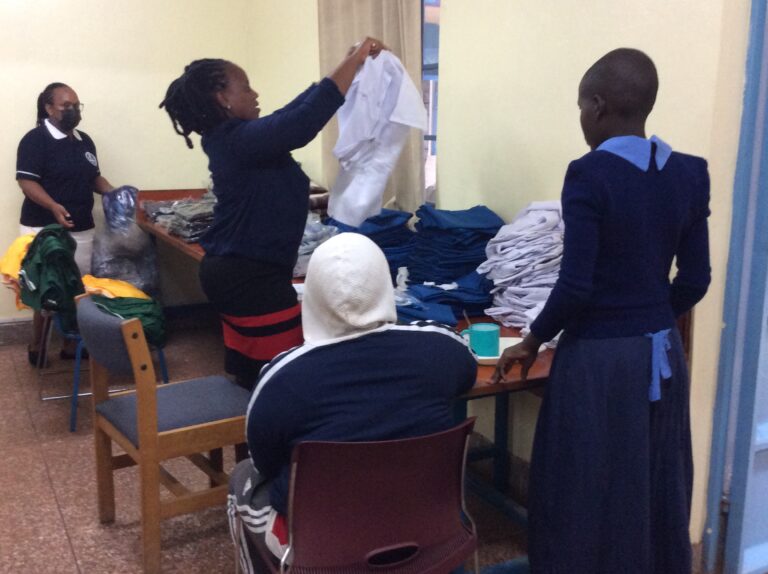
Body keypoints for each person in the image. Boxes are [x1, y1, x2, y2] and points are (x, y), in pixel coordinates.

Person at [493, 48, 711, 574]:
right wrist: (653, 313)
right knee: (653, 485)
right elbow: (697, 280)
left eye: (580, 108)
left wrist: (530, 340)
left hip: (599, 365)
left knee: (582, 487)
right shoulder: (689, 173)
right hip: (663, 358)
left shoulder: (589, 175)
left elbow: (575, 287)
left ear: (597, 105)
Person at [226, 232, 477, 569]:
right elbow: (468, 372)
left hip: (323, 543)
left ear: (311, 295)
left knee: (242, 475)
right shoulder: (441, 350)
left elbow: (265, 460)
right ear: (384, 286)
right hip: (429, 525)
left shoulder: (283, 376)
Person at [159, 38, 386, 391]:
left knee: (254, 374)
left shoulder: (236, 139)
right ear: (223, 98)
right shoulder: (238, 140)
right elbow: (299, 121)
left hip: (239, 270)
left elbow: (287, 117)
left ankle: (253, 436)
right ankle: (272, 441)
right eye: (245, 86)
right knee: (282, 378)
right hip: (250, 277)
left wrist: (315, 203)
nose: (255, 93)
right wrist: (354, 62)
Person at [16, 82, 114, 364]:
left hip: (82, 227)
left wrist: (113, 192)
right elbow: (27, 181)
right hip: (43, 228)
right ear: (49, 108)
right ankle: (37, 346)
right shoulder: (35, 140)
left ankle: (72, 346)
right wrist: (53, 206)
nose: (73, 111)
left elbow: (94, 177)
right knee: (47, 290)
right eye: (66, 106)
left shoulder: (84, 141)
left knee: (79, 288)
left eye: (76, 106)